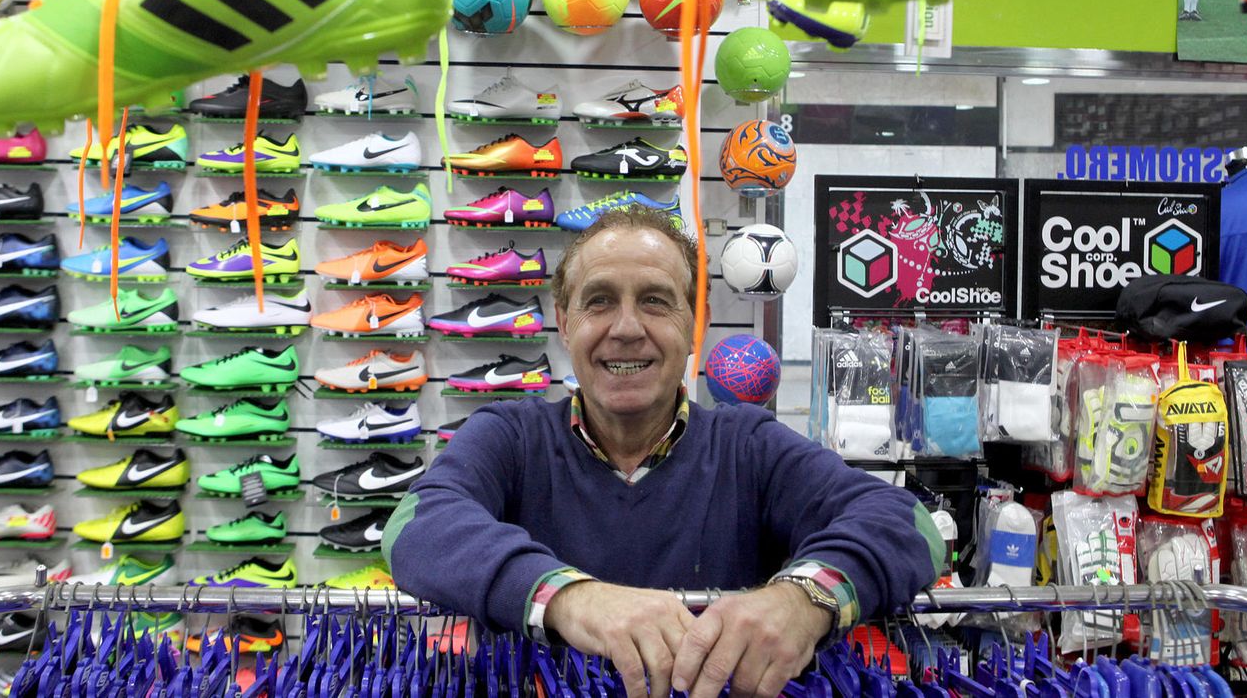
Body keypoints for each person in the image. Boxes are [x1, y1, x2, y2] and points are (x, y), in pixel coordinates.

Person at [384, 206, 942, 698]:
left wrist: (802, 600)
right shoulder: (511, 437)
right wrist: (571, 599)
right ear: (563, 321)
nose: (627, 329)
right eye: (599, 301)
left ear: (691, 323)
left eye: (654, 301)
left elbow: (911, 523)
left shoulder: (749, 446)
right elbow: (413, 525)